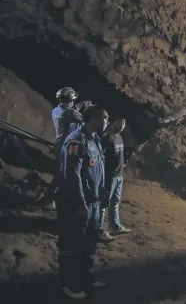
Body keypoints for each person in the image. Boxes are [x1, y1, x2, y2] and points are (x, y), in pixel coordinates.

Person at [55, 106, 108, 300]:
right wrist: (79, 201)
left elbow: (98, 169)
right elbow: (72, 173)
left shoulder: (94, 140)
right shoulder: (76, 140)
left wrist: (101, 194)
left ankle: (85, 276)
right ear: (93, 118)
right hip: (76, 202)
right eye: (104, 117)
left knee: (89, 242)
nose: (106, 121)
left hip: (92, 202)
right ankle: (68, 283)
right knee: (72, 242)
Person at [44, 88, 84, 211]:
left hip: (59, 144)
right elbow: (85, 120)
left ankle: (51, 198)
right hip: (67, 147)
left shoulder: (56, 111)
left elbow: (68, 115)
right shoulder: (71, 113)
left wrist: (75, 109)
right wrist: (85, 108)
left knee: (60, 173)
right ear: (71, 100)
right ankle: (52, 200)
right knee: (63, 175)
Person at [98, 119, 131, 240]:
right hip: (109, 176)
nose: (122, 125)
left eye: (123, 123)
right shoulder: (107, 138)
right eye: (119, 122)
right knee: (103, 203)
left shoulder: (119, 137)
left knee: (115, 202)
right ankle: (99, 230)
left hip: (118, 175)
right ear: (112, 123)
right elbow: (100, 157)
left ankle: (115, 226)